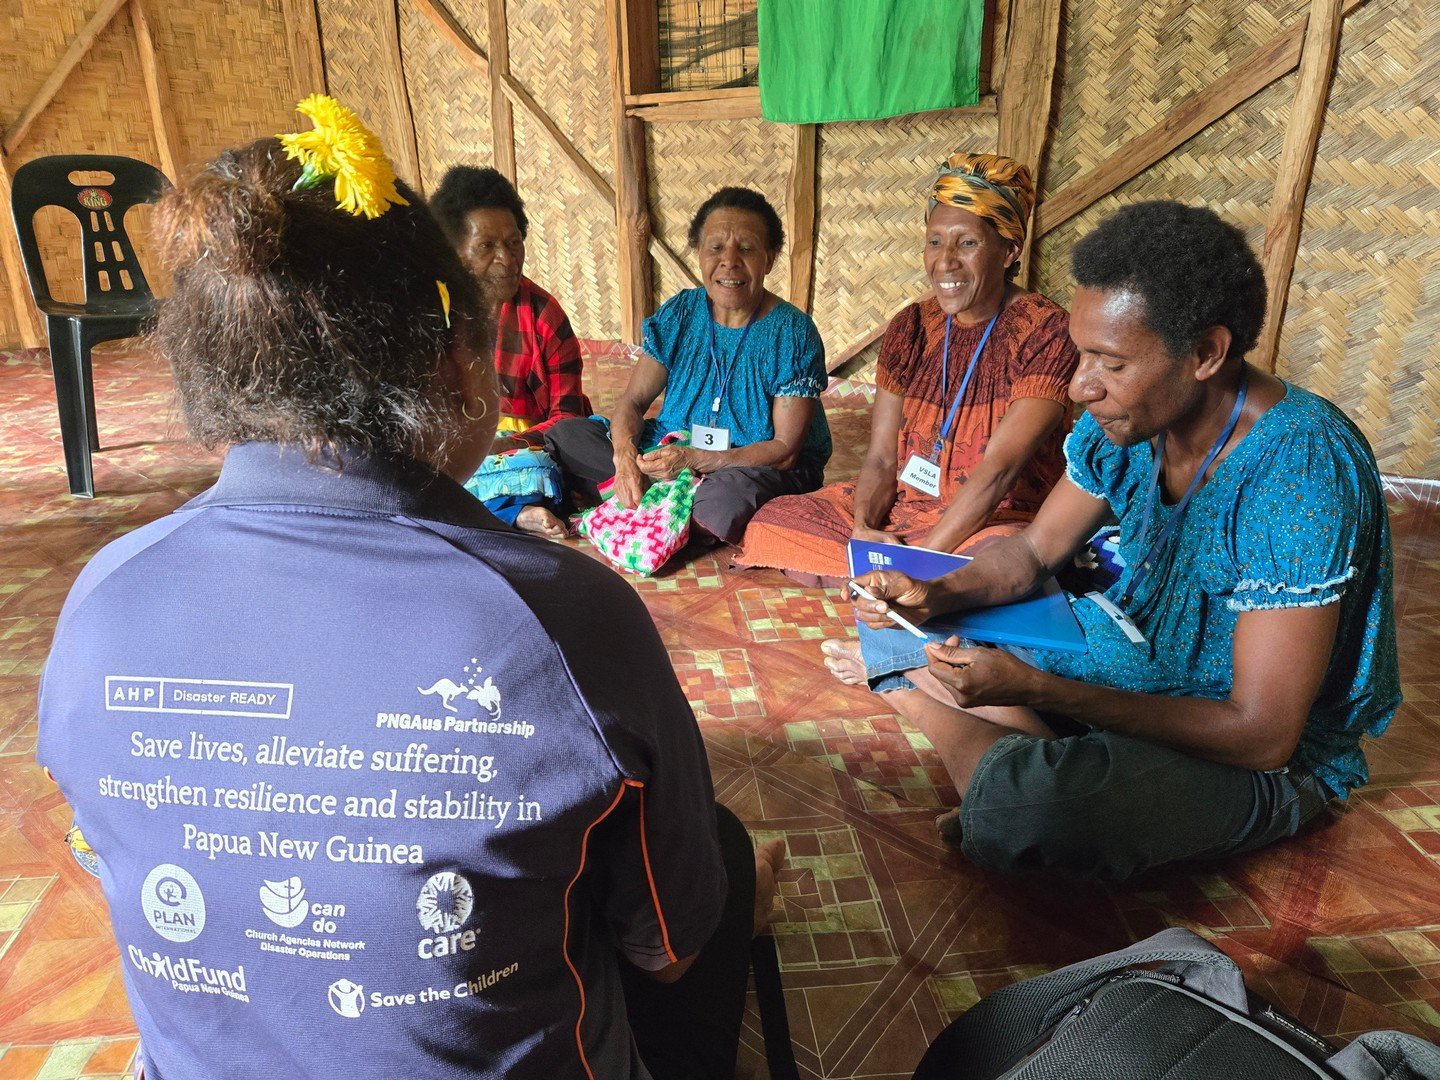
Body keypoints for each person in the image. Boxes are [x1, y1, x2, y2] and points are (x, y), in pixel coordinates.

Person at [37, 97, 782, 1080]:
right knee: (717, 862)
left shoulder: (99, 601)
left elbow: (115, 863)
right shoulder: (568, 620)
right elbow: (667, 945)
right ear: (458, 363)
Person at [825, 201, 1400, 883]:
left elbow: (1261, 734)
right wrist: (935, 589)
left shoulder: (1299, 468)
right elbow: (1035, 551)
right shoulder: (1126, 417)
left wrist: (1042, 689)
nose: (1080, 384)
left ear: (1206, 353)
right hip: (1140, 662)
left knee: (1034, 810)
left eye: (1110, 361)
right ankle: (998, 749)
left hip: (1258, 757)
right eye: (1081, 352)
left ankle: (924, 709)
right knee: (903, 615)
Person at [739, 153, 1078, 586]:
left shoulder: (1046, 330)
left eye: (967, 243)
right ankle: (891, 578)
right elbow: (881, 457)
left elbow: (1000, 471)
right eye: (935, 241)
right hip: (907, 506)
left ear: (1009, 251)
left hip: (995, 517)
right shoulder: (913, 325)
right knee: (775, 521)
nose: (945, 261)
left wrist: (921, 559)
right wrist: (864, 527)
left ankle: (898, 581)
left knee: (1003, 559)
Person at [544, 187, 832, 545]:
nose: (729, 261)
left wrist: (697, 459)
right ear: (699, 252)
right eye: (715, 248)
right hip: (670, 449)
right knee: (567, 436)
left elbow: (785, 450)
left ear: (770, 258)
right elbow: (633, 402)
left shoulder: (792, 332)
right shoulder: (681, 313)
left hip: (744, 463)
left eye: (746, 249)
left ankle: (632, 509)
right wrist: (625, 460)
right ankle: (656, 513)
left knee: (723, 503)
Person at [430, 165, 592, 539]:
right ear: (455, 252)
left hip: (528, 450)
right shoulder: (432, 313)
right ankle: (518, 513)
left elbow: (565, 419)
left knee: (568, 453)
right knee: (425, 471)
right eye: (487, 246)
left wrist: (504, 444)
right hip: (457, 447)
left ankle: (511, 508)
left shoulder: (545, 317)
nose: (507, 258)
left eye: (514, 242)